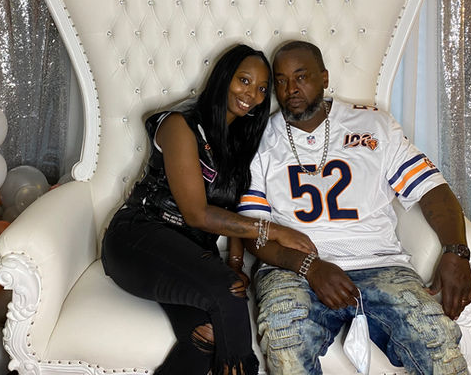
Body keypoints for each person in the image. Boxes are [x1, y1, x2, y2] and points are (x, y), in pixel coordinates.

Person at [238, 40, 471, 375]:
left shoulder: (374, 124)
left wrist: (456, 251)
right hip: (292, 269)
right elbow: (253, 231)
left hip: (380, 264)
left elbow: (431, 189)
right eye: (281, 80)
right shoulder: (259, 137)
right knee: (284, 336)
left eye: (301, 77)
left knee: (435, 337)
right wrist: (310, 267)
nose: (291, 89)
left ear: (324, 78)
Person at [101, 44, 316, 375]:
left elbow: (234, 208)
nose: (252, 95)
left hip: (187, 252)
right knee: (229, 293)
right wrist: (274, 231)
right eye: (244, 81)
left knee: (207, 337)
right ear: (224, 76)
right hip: (137, 240)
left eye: (262, 89)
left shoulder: (239, 137)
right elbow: (197, 214)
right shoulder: (180, 124)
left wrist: (234, 263)